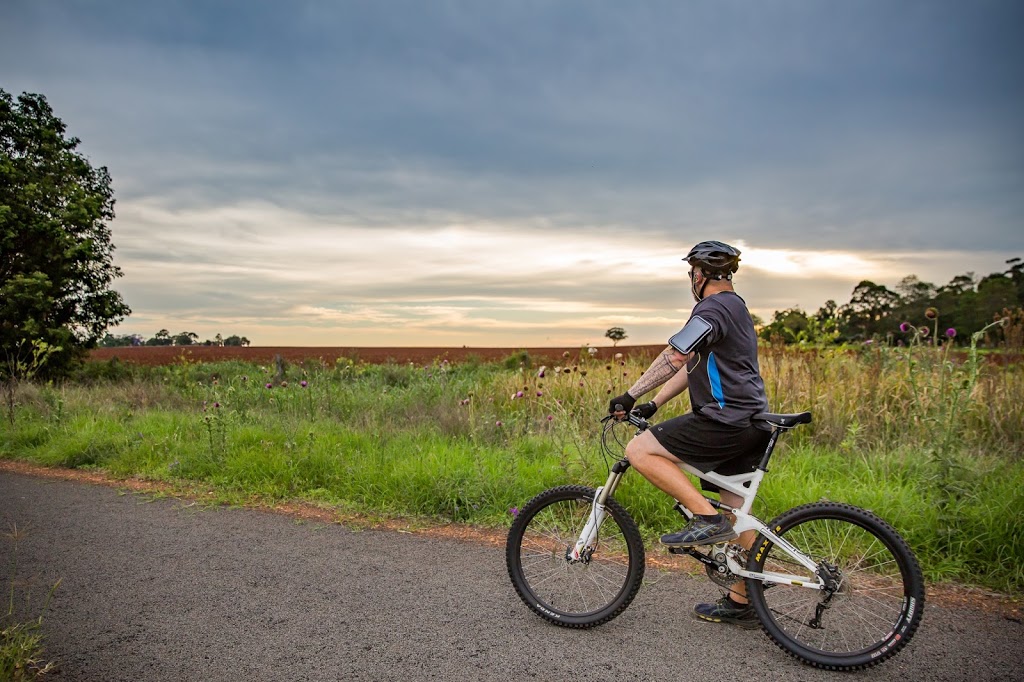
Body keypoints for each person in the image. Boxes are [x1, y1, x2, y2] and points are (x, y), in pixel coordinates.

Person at [608, 240, 770, 629]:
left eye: (690, 274)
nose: (690, 279)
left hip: (723, 421)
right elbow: (693, 364)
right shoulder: (738, 308)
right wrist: (654, 403)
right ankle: (742, 600)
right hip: (751, 422)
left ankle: (703, 517)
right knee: (737, 514)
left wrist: (630, 395)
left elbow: (676, 355)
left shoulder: (711, 308)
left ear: (699, 275)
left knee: (639, 450)